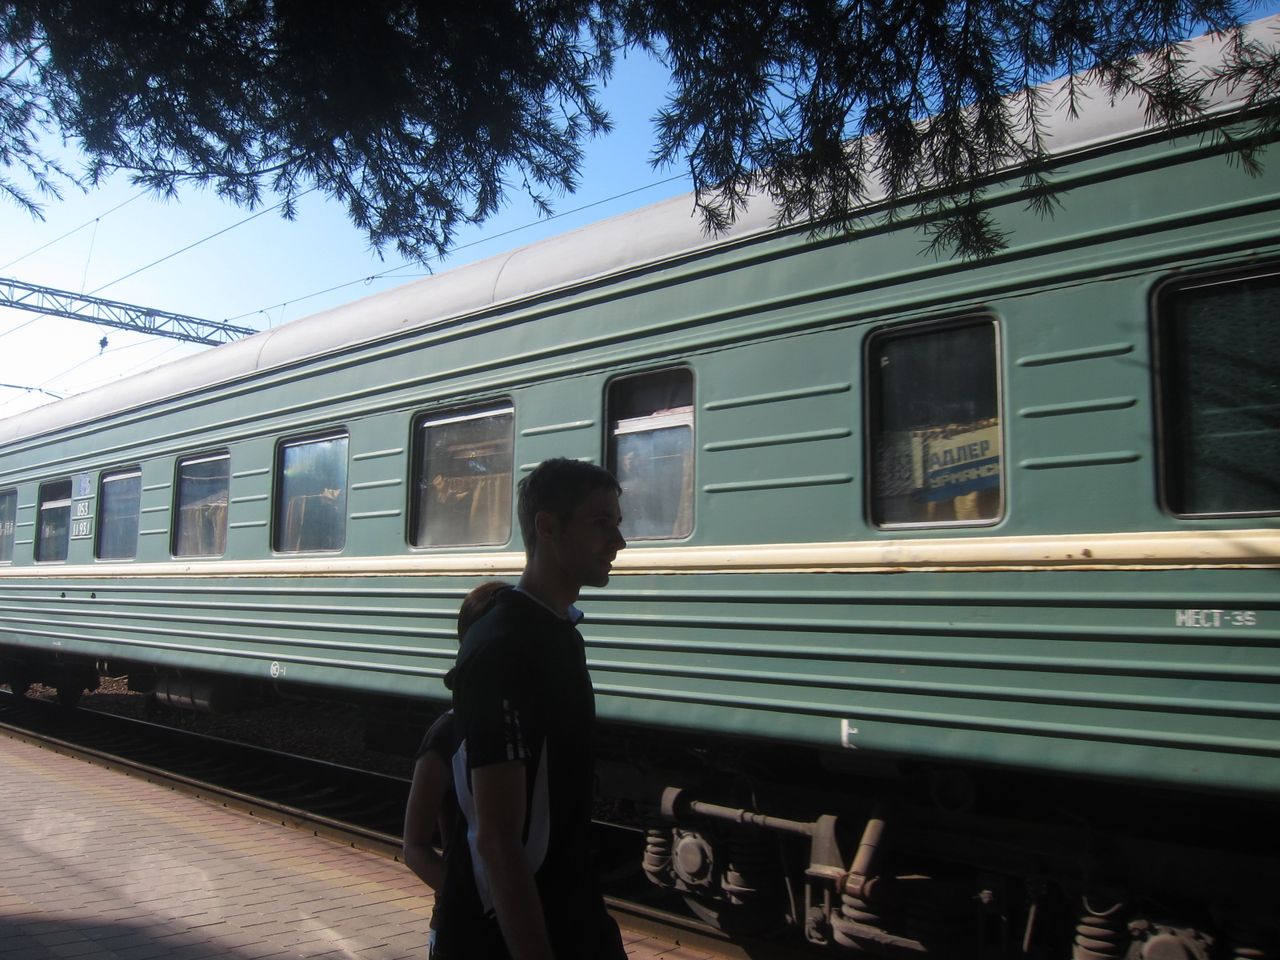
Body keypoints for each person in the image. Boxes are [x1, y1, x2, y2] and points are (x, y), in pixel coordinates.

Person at [432, 457, 628, 960]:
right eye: (601, 522)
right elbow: (497, 839)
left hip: (572, 914)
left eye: (617, 523)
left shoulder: (559, 634)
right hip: (502, 938)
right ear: (547, 526)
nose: (619, 542)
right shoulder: (502, 647)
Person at [402, 581, 513, 941]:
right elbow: (414, 845)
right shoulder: (447, 733)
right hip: (465, 929)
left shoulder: (526, 726)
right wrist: (472, 900)